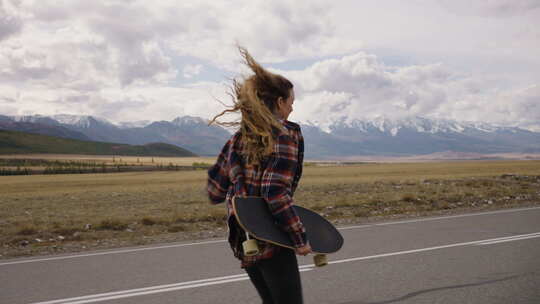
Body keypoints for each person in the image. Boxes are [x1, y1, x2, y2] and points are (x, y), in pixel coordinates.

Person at [207, 46, 311, 304]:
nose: (291, 110)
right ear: (279, 102)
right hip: (273, 236)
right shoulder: (284, 136)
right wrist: (299, 238)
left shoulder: (236, 140)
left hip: (244, 238)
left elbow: (215, 192)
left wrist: (239, 179)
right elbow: (274, 192)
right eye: (290, 103)